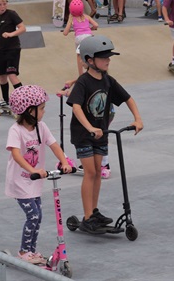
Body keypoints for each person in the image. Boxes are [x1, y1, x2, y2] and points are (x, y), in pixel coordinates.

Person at [66, 35, 144, 234]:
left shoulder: (108, 81)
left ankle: (94, 211)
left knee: (98, 171)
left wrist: (137, 118)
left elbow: (128, 98)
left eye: (109, 57)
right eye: (104, 57)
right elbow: (76, 107)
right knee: (90, 172)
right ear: (90, 60)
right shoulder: (83, 82)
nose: (108, 60)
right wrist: (89, 128)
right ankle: (86, 217)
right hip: (84, 134)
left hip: (102, 132)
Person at [5, 85, 72, 264]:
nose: (43, 112)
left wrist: (64, 161)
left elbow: (54, 145)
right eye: (41, 109)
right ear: (29, 111)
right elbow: (16, 154)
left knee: (38, 216)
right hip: (20, 182)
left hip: (35, 182)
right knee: (32, 216)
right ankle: (23, 251)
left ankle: (31, 252)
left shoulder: (41, 127)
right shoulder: (16, 130)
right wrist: (33, 170)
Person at [57, 78, 114, 179]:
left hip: (99, 111)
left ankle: (103, 164)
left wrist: (66, 93)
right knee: (100, 135)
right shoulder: (95, 74)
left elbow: (83, 95)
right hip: (107, 110)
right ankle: (101, 163)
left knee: (93, 135)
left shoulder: (90, 76)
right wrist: (72, 81)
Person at [0, 0, 26, 108]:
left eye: (4, 4)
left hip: (13, 48)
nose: (2, 6)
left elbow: (23, 28)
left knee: (11, 74)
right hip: (1, 50)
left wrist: (11, 34)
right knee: (2, 76)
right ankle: (6, 100)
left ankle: (24, 100)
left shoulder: (11, 14)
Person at [63, 0, 98, 76]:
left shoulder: (72, 17)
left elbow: (65, 33)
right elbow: (96, 25)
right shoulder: (87, 16)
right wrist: (91, 28)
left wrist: (69, 28)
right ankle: (94, 71)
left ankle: (81, 74)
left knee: (79, 56)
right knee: (91, 54)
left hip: (79, 38)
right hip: (89, 37)